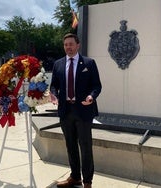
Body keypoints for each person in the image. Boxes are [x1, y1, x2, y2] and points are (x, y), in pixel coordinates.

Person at [50, 33, 102, 188]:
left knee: (85, 146)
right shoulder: (58, 64)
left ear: (77, 45)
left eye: (71, 44)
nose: (68, 47)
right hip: (65, 111)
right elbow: (54, 85)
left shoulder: (89, 63)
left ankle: (87, 181)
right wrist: (54, 94)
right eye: (65, 44)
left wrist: (91, 97)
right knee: (70, 145)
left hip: (84, 110)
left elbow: (96, 85)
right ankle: (75, 177)